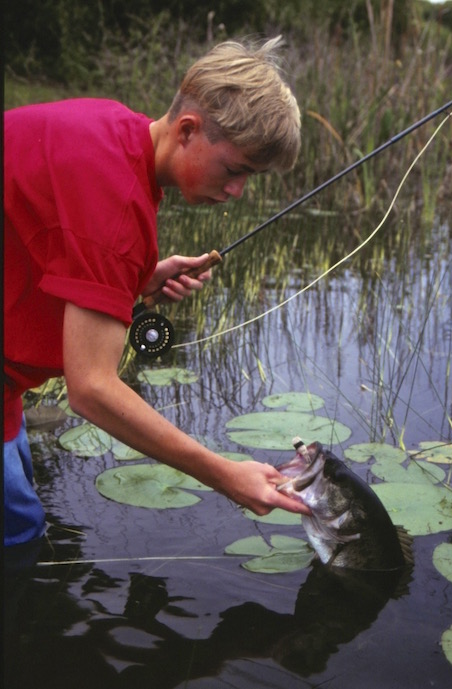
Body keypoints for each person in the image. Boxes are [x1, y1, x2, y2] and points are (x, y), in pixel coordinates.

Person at [4, 36, 310, 547]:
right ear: (188, 130)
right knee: (19, 533)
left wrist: (135, 280)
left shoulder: (113, 128)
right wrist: (223, 474)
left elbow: (44, 240)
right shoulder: (117, 209)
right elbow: (91, 389)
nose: (237, 192)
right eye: (235, 170)